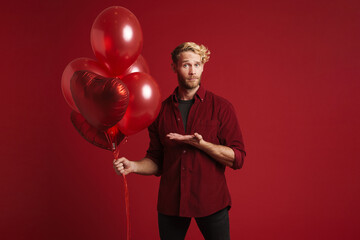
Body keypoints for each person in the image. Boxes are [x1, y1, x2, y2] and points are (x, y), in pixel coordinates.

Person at [113, 42, 246, 240]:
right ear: (174, 67)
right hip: (171, 203)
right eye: (186, 65)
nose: (192, 71)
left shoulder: (221, 108)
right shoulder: (160, 111)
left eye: (197, 64)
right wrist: (133, 165)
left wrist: (202, 145)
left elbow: (238, 158)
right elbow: (157, 161)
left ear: (203, 66)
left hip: (212, 201)